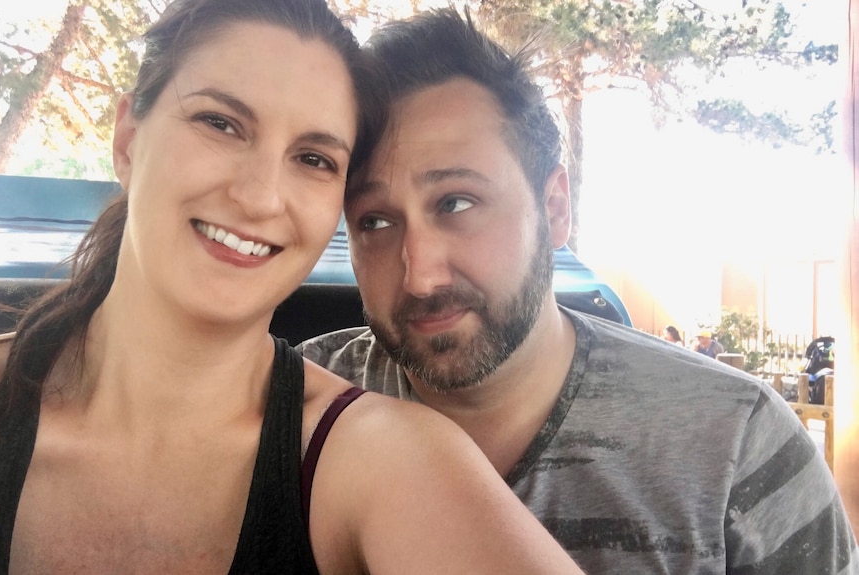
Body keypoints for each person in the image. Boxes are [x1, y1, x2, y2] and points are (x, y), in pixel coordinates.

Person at [0, 1, 584, 573]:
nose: (259, 197)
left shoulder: (384, 461)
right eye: (220, 123)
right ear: (128, 139)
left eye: (313, 158)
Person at [298, 8, 859, 573]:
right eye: (374, 220)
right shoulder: (289, 407)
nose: (420, 276)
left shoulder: (736, 445)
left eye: (456, 203)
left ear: (555, 207)